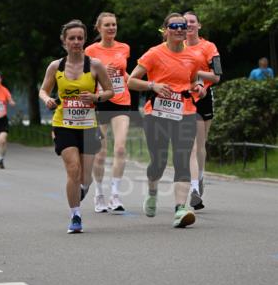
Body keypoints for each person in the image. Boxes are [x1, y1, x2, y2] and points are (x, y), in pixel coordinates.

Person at [128, 13, 208, 229]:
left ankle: (180, 209)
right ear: (165, 30)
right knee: (159, 162)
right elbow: (131, 81)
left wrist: (198, 88)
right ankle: (152, 192)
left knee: (182, 158)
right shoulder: (154, 54)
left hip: (186, 111)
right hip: (157, 114)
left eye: (183, 26)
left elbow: (194, 80)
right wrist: (152, 86)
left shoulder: (194, 56)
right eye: (175, 26)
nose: (180, 29)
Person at [39, 19, 113, 233]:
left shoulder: (95, 65)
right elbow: (43, 90)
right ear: (64, 42)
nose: (76, 42)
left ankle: (83, 188)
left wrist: (95, 97)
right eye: (72, 38)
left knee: (85, 176)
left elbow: (110, 92)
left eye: (80, 38)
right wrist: (47, 100)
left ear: (84, 40)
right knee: (73, 169)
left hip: (88, 125)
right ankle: (75, 216)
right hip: (64, 123)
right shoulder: (56, 66)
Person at [85, 12, 132, 212]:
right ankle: (99, 194)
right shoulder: (91, 50)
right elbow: (87, 76)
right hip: (100, 103)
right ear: (99, 28)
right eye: (107, 25)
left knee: (120, 148)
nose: (112, 28)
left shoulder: (124, 48)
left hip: (121, 101)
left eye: (114, 25)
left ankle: (115, 195)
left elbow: (123, 73)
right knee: (100, 153)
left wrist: (134, 81)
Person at [184, 10, 222, 210]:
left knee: (200, 144)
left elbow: (216, 77)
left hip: (204, 98)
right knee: (189, 145)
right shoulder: (175, 47)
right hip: (183, 98)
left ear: (199, 26)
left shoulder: (209, 47)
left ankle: (199, 177)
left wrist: (194, 72)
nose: (188, 25)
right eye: (185, 22)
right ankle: (193, 189)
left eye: (192, 22)